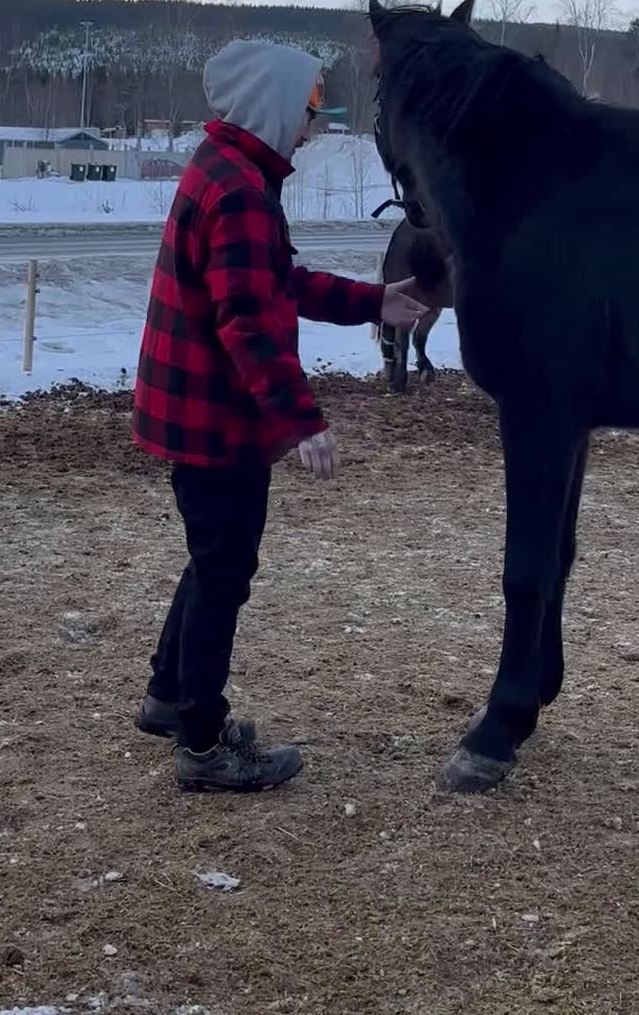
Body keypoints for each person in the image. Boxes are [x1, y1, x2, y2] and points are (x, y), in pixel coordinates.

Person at [131, 39, 427, 793]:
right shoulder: (238, 190)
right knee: (225, 573)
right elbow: (248, 323)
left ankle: (169, 698)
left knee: (212, 559)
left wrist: (374, 300)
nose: (313, 126)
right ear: (271, 108)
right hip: (216, 420)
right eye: (307, 111)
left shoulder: (229, 172)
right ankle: (203, 746)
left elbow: (275, 282)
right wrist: (302, 421)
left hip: (197, 413)